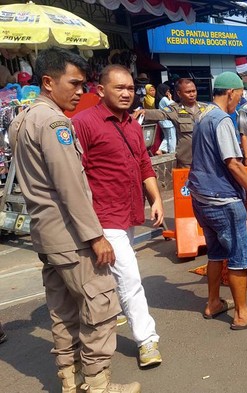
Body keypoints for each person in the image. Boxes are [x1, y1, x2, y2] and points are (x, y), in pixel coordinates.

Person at [8, 47, 139, 393]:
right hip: (71, 235)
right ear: (49, 82)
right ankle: (98, 384)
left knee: (63, 310)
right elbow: (70, 186)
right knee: (100, 305)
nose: (81, 91)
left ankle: (69, 379)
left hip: (46, 234)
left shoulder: (21, 119)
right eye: (75, 83)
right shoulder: (54, 123)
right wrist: (96, 236)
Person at [72, 64, 165, 369]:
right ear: (100, 90)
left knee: (113, 278)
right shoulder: (83, 123)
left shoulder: (133, 125)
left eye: (130, 88)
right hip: (103, 217)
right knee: (130, 277)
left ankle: (112, 316)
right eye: (119, 88)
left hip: (128, 213)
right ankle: (146, 339)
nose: (127, 94)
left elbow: (144, 165)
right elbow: (73, 175)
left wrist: (156, 199)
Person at [187, 71, 247, 330]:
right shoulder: (222, 120)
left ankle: (213, 302)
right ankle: (243, 314)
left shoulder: (201, 115)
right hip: (222, 200)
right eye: (239, 94)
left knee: (216, 254)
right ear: (230, 92)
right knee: (238, 256)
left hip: (201, 199)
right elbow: (233, 163)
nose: (240, 99)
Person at [138, 78, 207, 168]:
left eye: (194, 91)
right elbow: (160, 113)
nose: (192, 94)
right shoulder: (174, 109)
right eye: (188, 92)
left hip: (205, 159)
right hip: (186, 161)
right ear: (179, 93)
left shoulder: (205, 108)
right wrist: (144, 112)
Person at [155, 83, 176, 155]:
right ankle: (172, 152)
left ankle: (161, 149)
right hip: (168, 122)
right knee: (172, 138)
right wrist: (170, 99)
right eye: (167, 91)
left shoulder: (159, 99)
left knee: (167, 137)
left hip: (163, 121)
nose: (168, 93)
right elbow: (173, 106)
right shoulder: (164, 99)